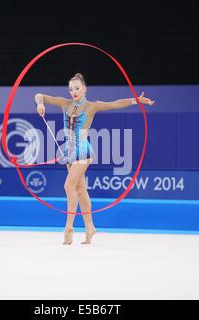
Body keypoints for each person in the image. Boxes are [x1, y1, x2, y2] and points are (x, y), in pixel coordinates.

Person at [34, 73, 154, 245]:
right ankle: (90, 227)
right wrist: (40, 104)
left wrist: (136, 100)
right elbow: (39, 95)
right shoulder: (65, 104)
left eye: (77, 88)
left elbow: (115, 104)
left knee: (68, 185)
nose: (73, 92)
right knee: (81, 190)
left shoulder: (91, 107)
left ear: (84, 88)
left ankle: (68, 228)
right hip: (69, 150)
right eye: (71, 89)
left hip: (82, 150)